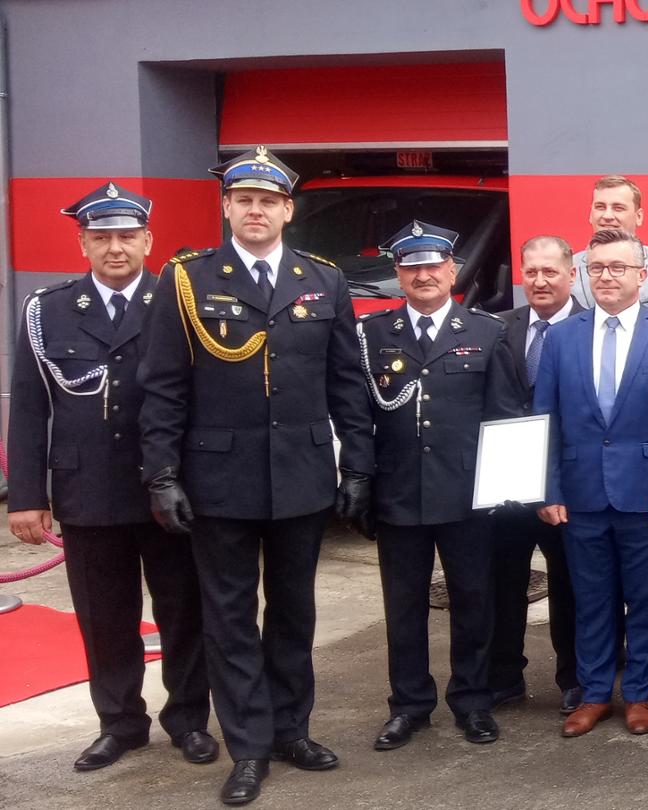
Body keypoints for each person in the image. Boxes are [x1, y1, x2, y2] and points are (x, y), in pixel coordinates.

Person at [139, 146, 375, 806]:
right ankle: (248, 746)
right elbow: (163, 386)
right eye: (244, 200)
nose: (255, 211)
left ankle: (291, 730)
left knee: (295, 613)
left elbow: (346, 383)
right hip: (219, 480)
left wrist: (358, 464)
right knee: (230, 619)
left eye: (268, 201)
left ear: (287, 210)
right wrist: (162, 474)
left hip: (302, 477)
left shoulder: (323, 279)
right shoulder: (188, 279)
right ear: (227, 207)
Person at [7, 183, 215, 772]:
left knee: (183, 610)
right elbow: (29, 407)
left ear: (148, 240)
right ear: (83, 244)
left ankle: (188, 720)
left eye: (127, 236)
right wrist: (26, 495)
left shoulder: (180, 302)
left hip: (168, 488)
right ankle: (119, 723)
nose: (115, 248)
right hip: (88, 490)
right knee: (104, 617)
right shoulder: (47, 309)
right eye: (102, 238)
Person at [358, 221, 518, 751]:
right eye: (411, 267)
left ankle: (472, 701)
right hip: (399, 494)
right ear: (398, 275)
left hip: (467, 496)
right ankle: (408, 706)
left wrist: (503, 489)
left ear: (452, 271)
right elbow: (359, 417)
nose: (423, 275)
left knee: (474, 602)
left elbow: (503, 417)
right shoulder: (373, 335)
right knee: (403, 608)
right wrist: (359, 482)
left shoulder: (485, 332)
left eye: (433, 266)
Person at [537, 229, 648, 738]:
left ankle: (638, 696)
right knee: (590, 601)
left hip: (647, 497)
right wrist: (548, 490)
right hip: (580, 495)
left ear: (642, 275)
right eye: (597, 268)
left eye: (618, 267)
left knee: (646, 599)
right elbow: (546, 420)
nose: (606, 276)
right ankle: (593, 695)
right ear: (585, 275)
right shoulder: (562, 337)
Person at [572, 174, 648, 694]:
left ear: (638, 215)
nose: (608, 214)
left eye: (618, 206)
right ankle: (601, 679)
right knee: (593, 592)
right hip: (589, 465)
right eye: (600, 206)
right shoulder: (576, 267)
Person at [489, 236, 591, 714]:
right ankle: (504, 676)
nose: (540, 281)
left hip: (569, 484)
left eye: (550, 272)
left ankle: (575, 677)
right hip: (509, 482)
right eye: (531, 272)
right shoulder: (497, 328)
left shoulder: (594, 328)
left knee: (571, 584)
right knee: (503, 580)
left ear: (572, 275)